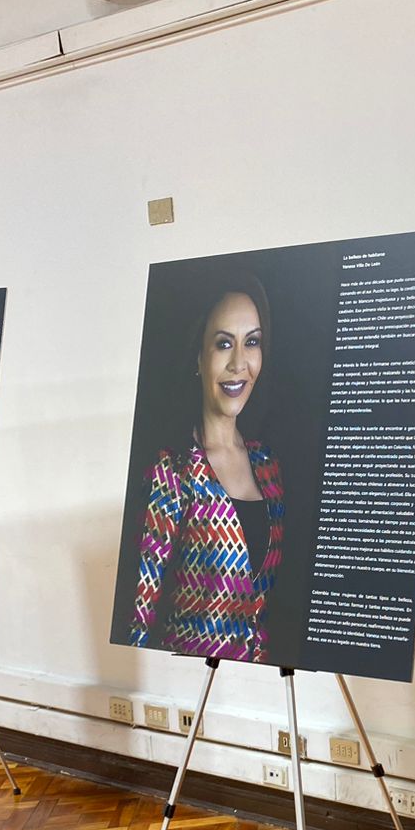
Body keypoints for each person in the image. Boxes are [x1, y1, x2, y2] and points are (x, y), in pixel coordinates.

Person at [128, 275, 285, 662]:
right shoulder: (175, 469)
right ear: (199, 358)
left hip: (258, 682)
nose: (239, 364)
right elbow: (139, 613)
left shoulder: (266, 465)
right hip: (192, 683)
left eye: (252, 342)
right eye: (223, 344)